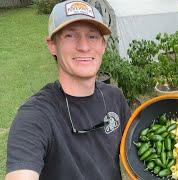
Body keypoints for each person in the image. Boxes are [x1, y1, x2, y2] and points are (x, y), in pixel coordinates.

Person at [5, 0, 131, 179]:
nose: (84, 46)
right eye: (70, 35)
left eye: (93, 36)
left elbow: (139, 150)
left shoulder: (114, 97)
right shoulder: (36, 115)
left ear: (103, 45)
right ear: (52, 45)